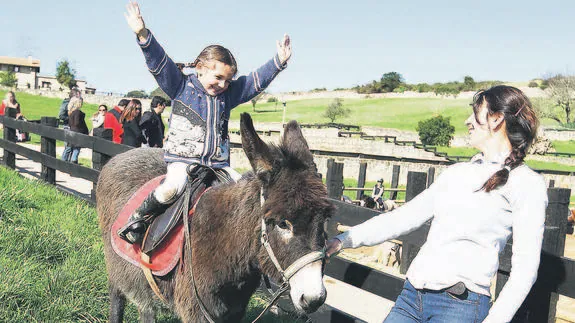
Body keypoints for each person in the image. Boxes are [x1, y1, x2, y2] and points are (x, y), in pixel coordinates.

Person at [326, 86, 548, 323]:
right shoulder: (456, 173)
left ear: (496, 119)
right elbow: (403, 217)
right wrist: (343, 240)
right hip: (411, 298)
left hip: (460, 307)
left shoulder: (526, 184)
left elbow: (525, 271)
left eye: (475, 113)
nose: (467, 120)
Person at [118, 0, 292, 244]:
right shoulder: (180, 85)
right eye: (218, 77)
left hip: (218, 165)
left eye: (227, 80)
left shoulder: (228, 95)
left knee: (247, 189)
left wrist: (278, 62)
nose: (222, 84)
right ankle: (139, 218)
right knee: (171, 188)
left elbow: (254, 82)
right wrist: (142, 34)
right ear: (199, 68)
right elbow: (158, 62)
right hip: (183, 162)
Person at [62, 97, 89, 163]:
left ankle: (63, 160)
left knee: (69, 147)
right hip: (78, 132)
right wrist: (84, 129)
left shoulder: (71, 112)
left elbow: (71, 123)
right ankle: (73, 160)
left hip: (72, 131)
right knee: (77, 148)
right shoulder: (77, 112)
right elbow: (77, 123)